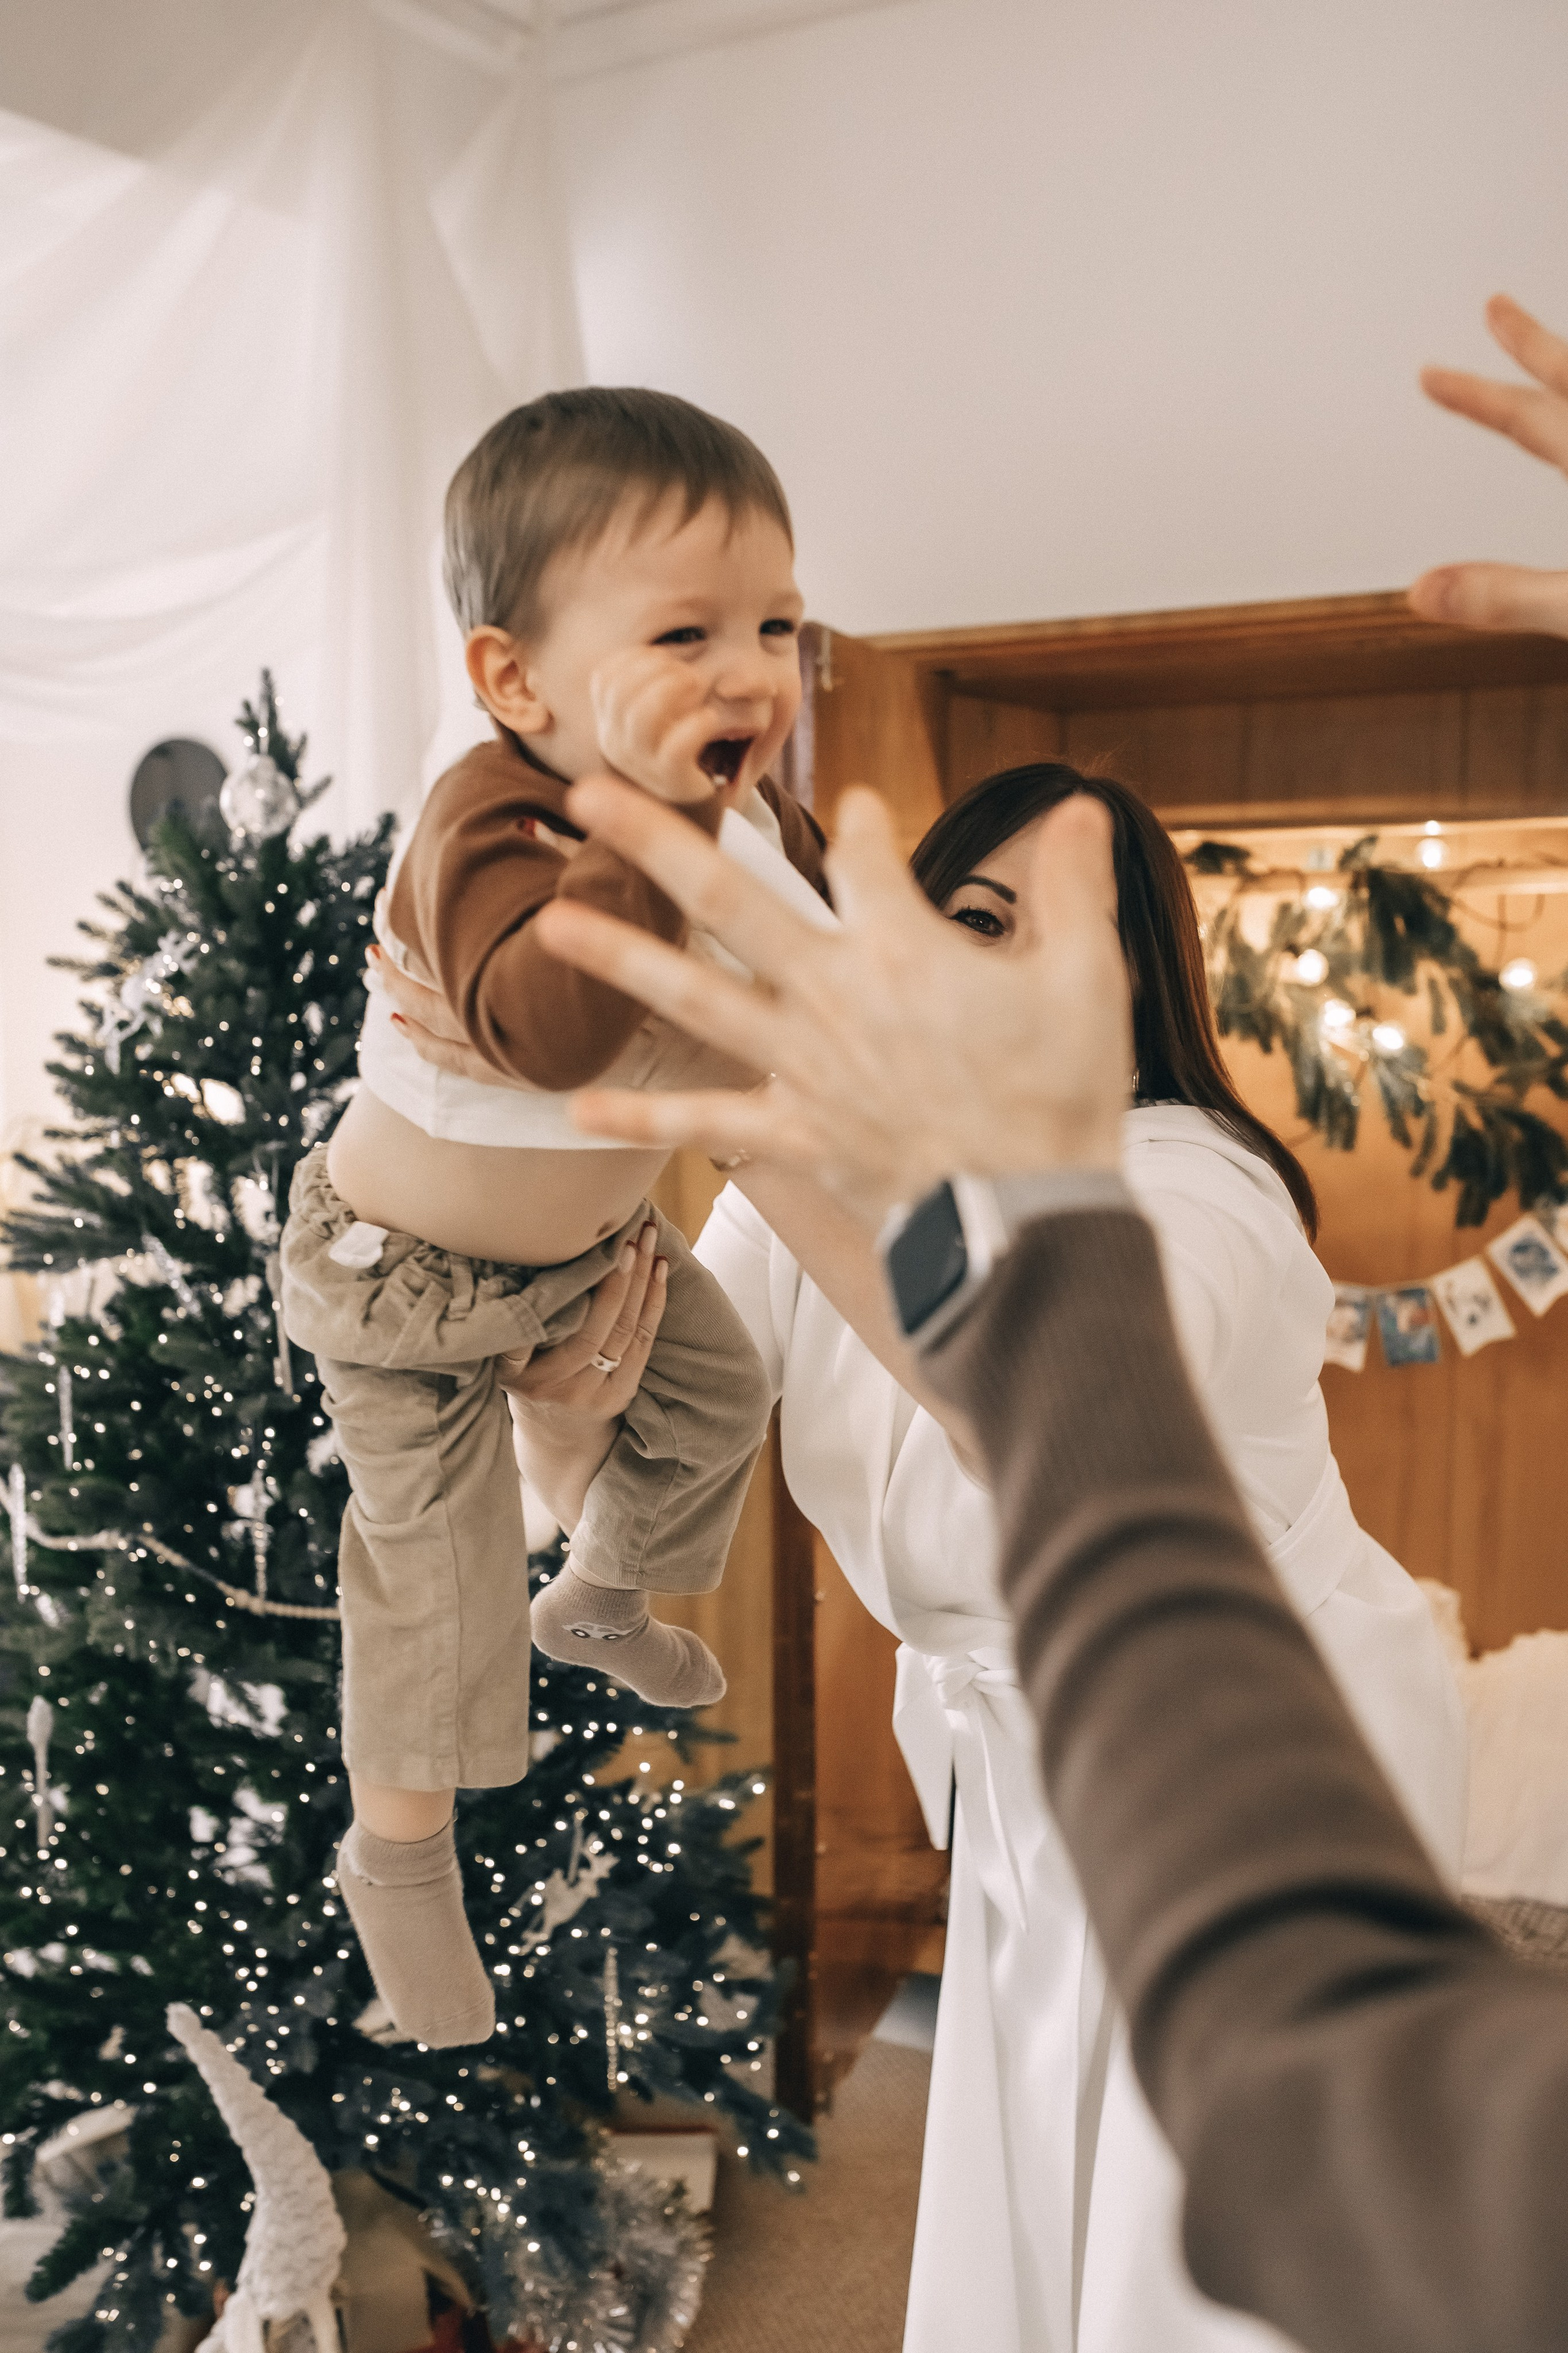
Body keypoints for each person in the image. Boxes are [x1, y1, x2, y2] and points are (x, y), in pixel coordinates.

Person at [379, 760, 1465, 2352]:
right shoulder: (814, 1188)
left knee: (1208, 2256)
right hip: (1028, 1767)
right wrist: (562, 1420)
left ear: (1130, 988)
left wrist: (767, 1135)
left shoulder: (1205, 1192)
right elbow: (639, 1429)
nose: (1001, 968)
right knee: (1033, 2206)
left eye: (1060, 932)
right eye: (972, 916)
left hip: (1268, 1763)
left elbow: (1043, 1398)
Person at [277, 387, 834, 2049]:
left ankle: (606, 1592)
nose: (747, 670)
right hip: (407, 1285)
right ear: (519, 680)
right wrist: (660, 828)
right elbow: (552, 1029)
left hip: (589, 1252)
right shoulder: (492, 823)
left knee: (726, 1390)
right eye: (685, 632)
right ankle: (398, 1859)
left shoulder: (733, 827)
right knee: (432, 1584)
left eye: (777, 625)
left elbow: (802, 965)